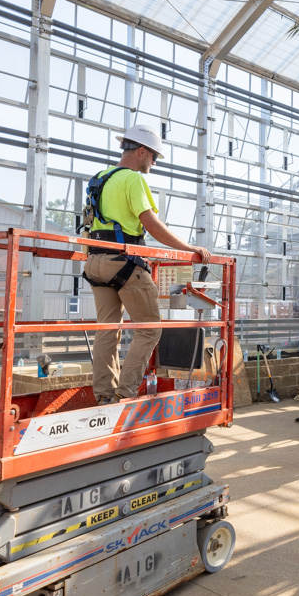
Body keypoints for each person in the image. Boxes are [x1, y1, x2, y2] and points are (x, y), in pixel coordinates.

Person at [84, 123, 211, 405]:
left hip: (95, 262)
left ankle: (104, 395)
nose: (153, 163)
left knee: (107, 328)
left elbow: (89, 222)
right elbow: (151, 225)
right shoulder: (133, 179)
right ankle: (124, 392)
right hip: (124, 264)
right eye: (153, 157)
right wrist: (189, 249)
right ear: (141, 151)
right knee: (150, 328)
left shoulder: (100, 178)